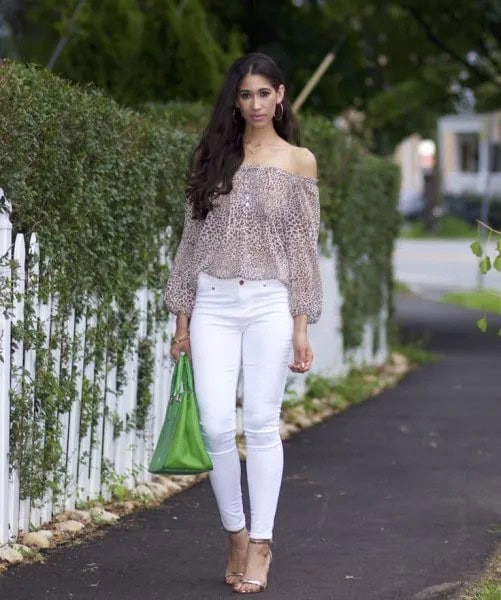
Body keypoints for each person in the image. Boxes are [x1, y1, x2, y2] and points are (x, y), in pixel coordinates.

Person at [164, 52, 322, 594]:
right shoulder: (212, 156)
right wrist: (181, 319)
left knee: (259, 422)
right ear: (235, 99)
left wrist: (302, 325)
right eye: (244, 94)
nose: (254, 104)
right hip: (211, 303)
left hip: (269, 305)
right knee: (213, 426)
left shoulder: (300, 162)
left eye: (263, 93)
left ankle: (262, 541)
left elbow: (304, 252)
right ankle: (235, 530)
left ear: (281, 94)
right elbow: (190, 245)